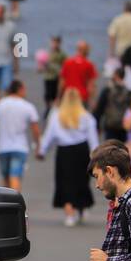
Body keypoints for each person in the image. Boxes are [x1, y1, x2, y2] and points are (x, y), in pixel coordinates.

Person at [37, 87, 99, 225]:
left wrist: (42, 151)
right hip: (81, 151)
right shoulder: (86, 116)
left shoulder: (56, 115)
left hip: (64, 152)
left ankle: (69, 213)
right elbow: (93, 138)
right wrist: (96, 155)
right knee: (81, 180)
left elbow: (49, 135)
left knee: (65, 182)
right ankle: (81, 208)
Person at [0, 80, 41, 192]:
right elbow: (35, 129)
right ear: (20, 89)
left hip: (2, 147)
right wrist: (38, 145)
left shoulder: (0, 104)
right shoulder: (28, 106)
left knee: (5, 178)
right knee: (15, 177)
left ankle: (4, 204)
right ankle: (14, 204)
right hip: (20, 147)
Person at [93, 68, 131, 144]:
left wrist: (97, 125)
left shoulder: (107, 90)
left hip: (110, 125)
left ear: (116, 75)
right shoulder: (129, 92)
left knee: (109, 149)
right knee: (121, 149)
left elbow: (99, 109)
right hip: (123, 126)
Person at [59, 39, 98, 105]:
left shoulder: (67, 62)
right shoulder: (89, 64)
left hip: (68, 97)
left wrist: (59, 97)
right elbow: (91, 85)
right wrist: (93, 100)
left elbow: (62, 82)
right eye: (88, 49)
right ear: (85, 50)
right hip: (82, 97)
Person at [39, 35, 66, 118]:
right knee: (47, 95)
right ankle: (48, 108)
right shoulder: (47, 53)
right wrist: (40, 68)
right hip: (48, 77)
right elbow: (42, 64)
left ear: (59, 43)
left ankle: (54, 110)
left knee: (56, 94)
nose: (54, 44)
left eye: (56, 43)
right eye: (53, 42)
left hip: (56, 77)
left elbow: (65, 65)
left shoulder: (62, 54)